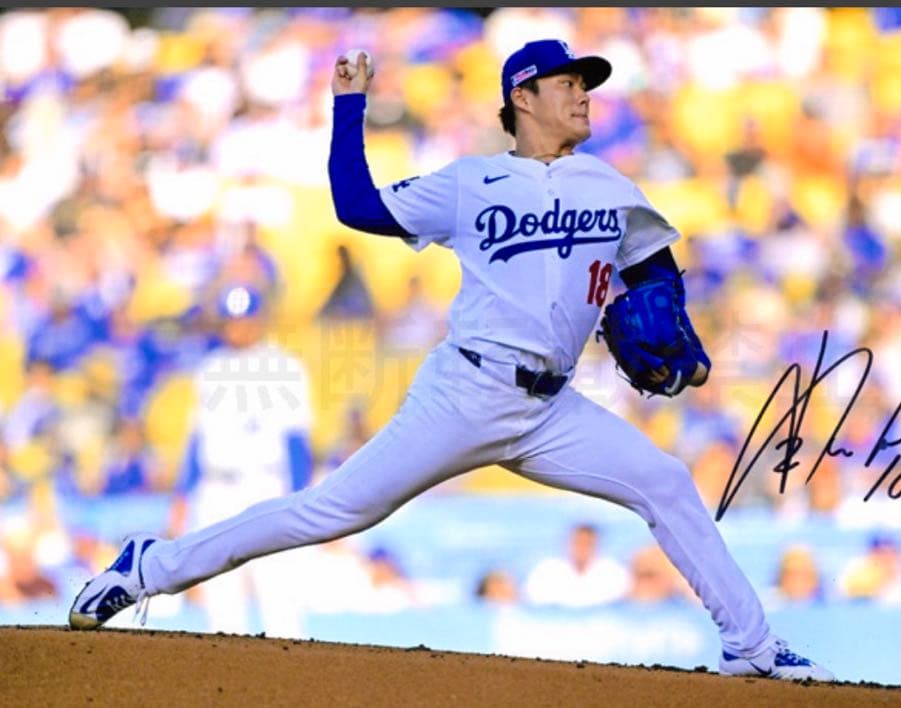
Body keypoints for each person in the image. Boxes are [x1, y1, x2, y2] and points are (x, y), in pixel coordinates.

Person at [69, 39, 834, 682]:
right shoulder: (471, 182)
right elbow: (357, 206)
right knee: (333, 510)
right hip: (466, 391)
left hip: (550, 409)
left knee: (665, 482)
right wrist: (349, 108)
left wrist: (684, 349)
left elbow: (653, 270)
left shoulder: (609, 184)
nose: (584, 95)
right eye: (569, 83)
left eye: (587, 85)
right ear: (522, 96)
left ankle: (751, 644)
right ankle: (147, 568)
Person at [164, 283, 316, 638]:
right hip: (216, 488)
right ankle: (227, 670)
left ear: (259, 321)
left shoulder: (285, 367)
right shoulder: (210, 368)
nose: (238, 328)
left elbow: (297, 442)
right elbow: (197, 440)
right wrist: (182, 497)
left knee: (278, 590)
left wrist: (301, 498)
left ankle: (291, 666)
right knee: (221, 595)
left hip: (266, 485)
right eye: (231, 321)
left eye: (245, 320)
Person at [522, 523, 630, 608]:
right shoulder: (547, 570)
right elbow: (532, 602)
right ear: (568, 543)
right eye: (578, 542)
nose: (582, 548)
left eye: (587, 543)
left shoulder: (613, 572)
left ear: (597, 545)